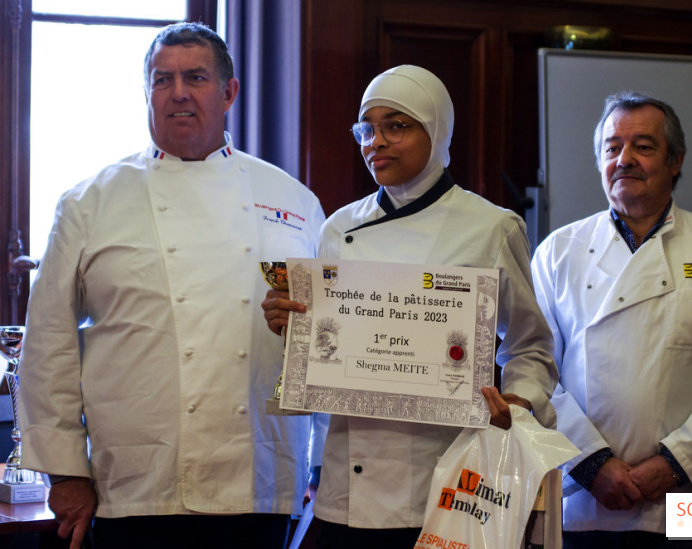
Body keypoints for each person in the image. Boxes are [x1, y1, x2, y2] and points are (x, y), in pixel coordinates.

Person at [18, 22, 326, 549]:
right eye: (163, 80)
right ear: (147, 93)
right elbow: (48, 345)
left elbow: (328, 336)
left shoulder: (295, 201)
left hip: (259, 478)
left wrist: (322, 464)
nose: (178, 92)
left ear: (229, 93)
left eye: (196, 77)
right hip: (136, 480)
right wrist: (65, 473)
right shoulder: (89, 203)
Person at [261, 65, 559, 548]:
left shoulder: (490, 227)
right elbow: (330, 345)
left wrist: (520, 404)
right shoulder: (338, 228)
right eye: (367, 128)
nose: (374, 142)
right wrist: (291, 327)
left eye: (395, 126)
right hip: (345, 490)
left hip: (442, 487)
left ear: (437, 129)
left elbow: (532, 346)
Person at [530, 91, 692, 547]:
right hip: (583, 500)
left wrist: (675, 465)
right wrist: (593, 465)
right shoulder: (557, 253)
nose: (624, 160)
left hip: (689, 503)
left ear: (675, 160)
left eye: (643, 146)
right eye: (612, 147)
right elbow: (535, 374)